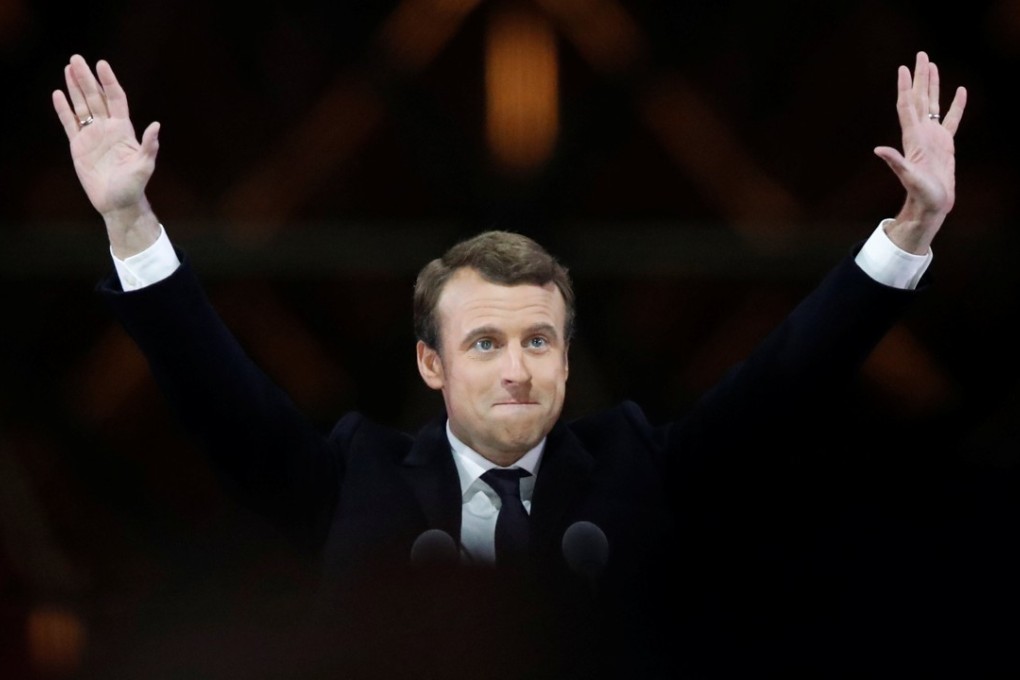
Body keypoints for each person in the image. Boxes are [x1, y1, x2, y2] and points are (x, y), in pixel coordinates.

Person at [52, 51, 966, 678]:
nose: (518, 368)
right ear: (430, 365)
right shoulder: (352, 476)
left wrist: (912, 228)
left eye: (539, 341)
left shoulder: (640, 468)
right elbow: (219, 397)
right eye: (485, 344)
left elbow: (786, 383)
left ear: (568, 363)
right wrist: (129, 220)